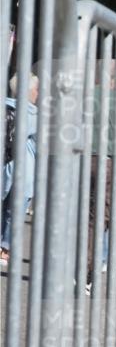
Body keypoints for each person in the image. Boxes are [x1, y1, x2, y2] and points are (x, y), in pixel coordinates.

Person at [1, 73, 39, 265]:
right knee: (15, 212)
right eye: (36, 89)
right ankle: (5, 249)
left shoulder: (4, 107)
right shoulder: (35, 115)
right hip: (25, 170)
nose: (38, 93)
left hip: (4, 166)